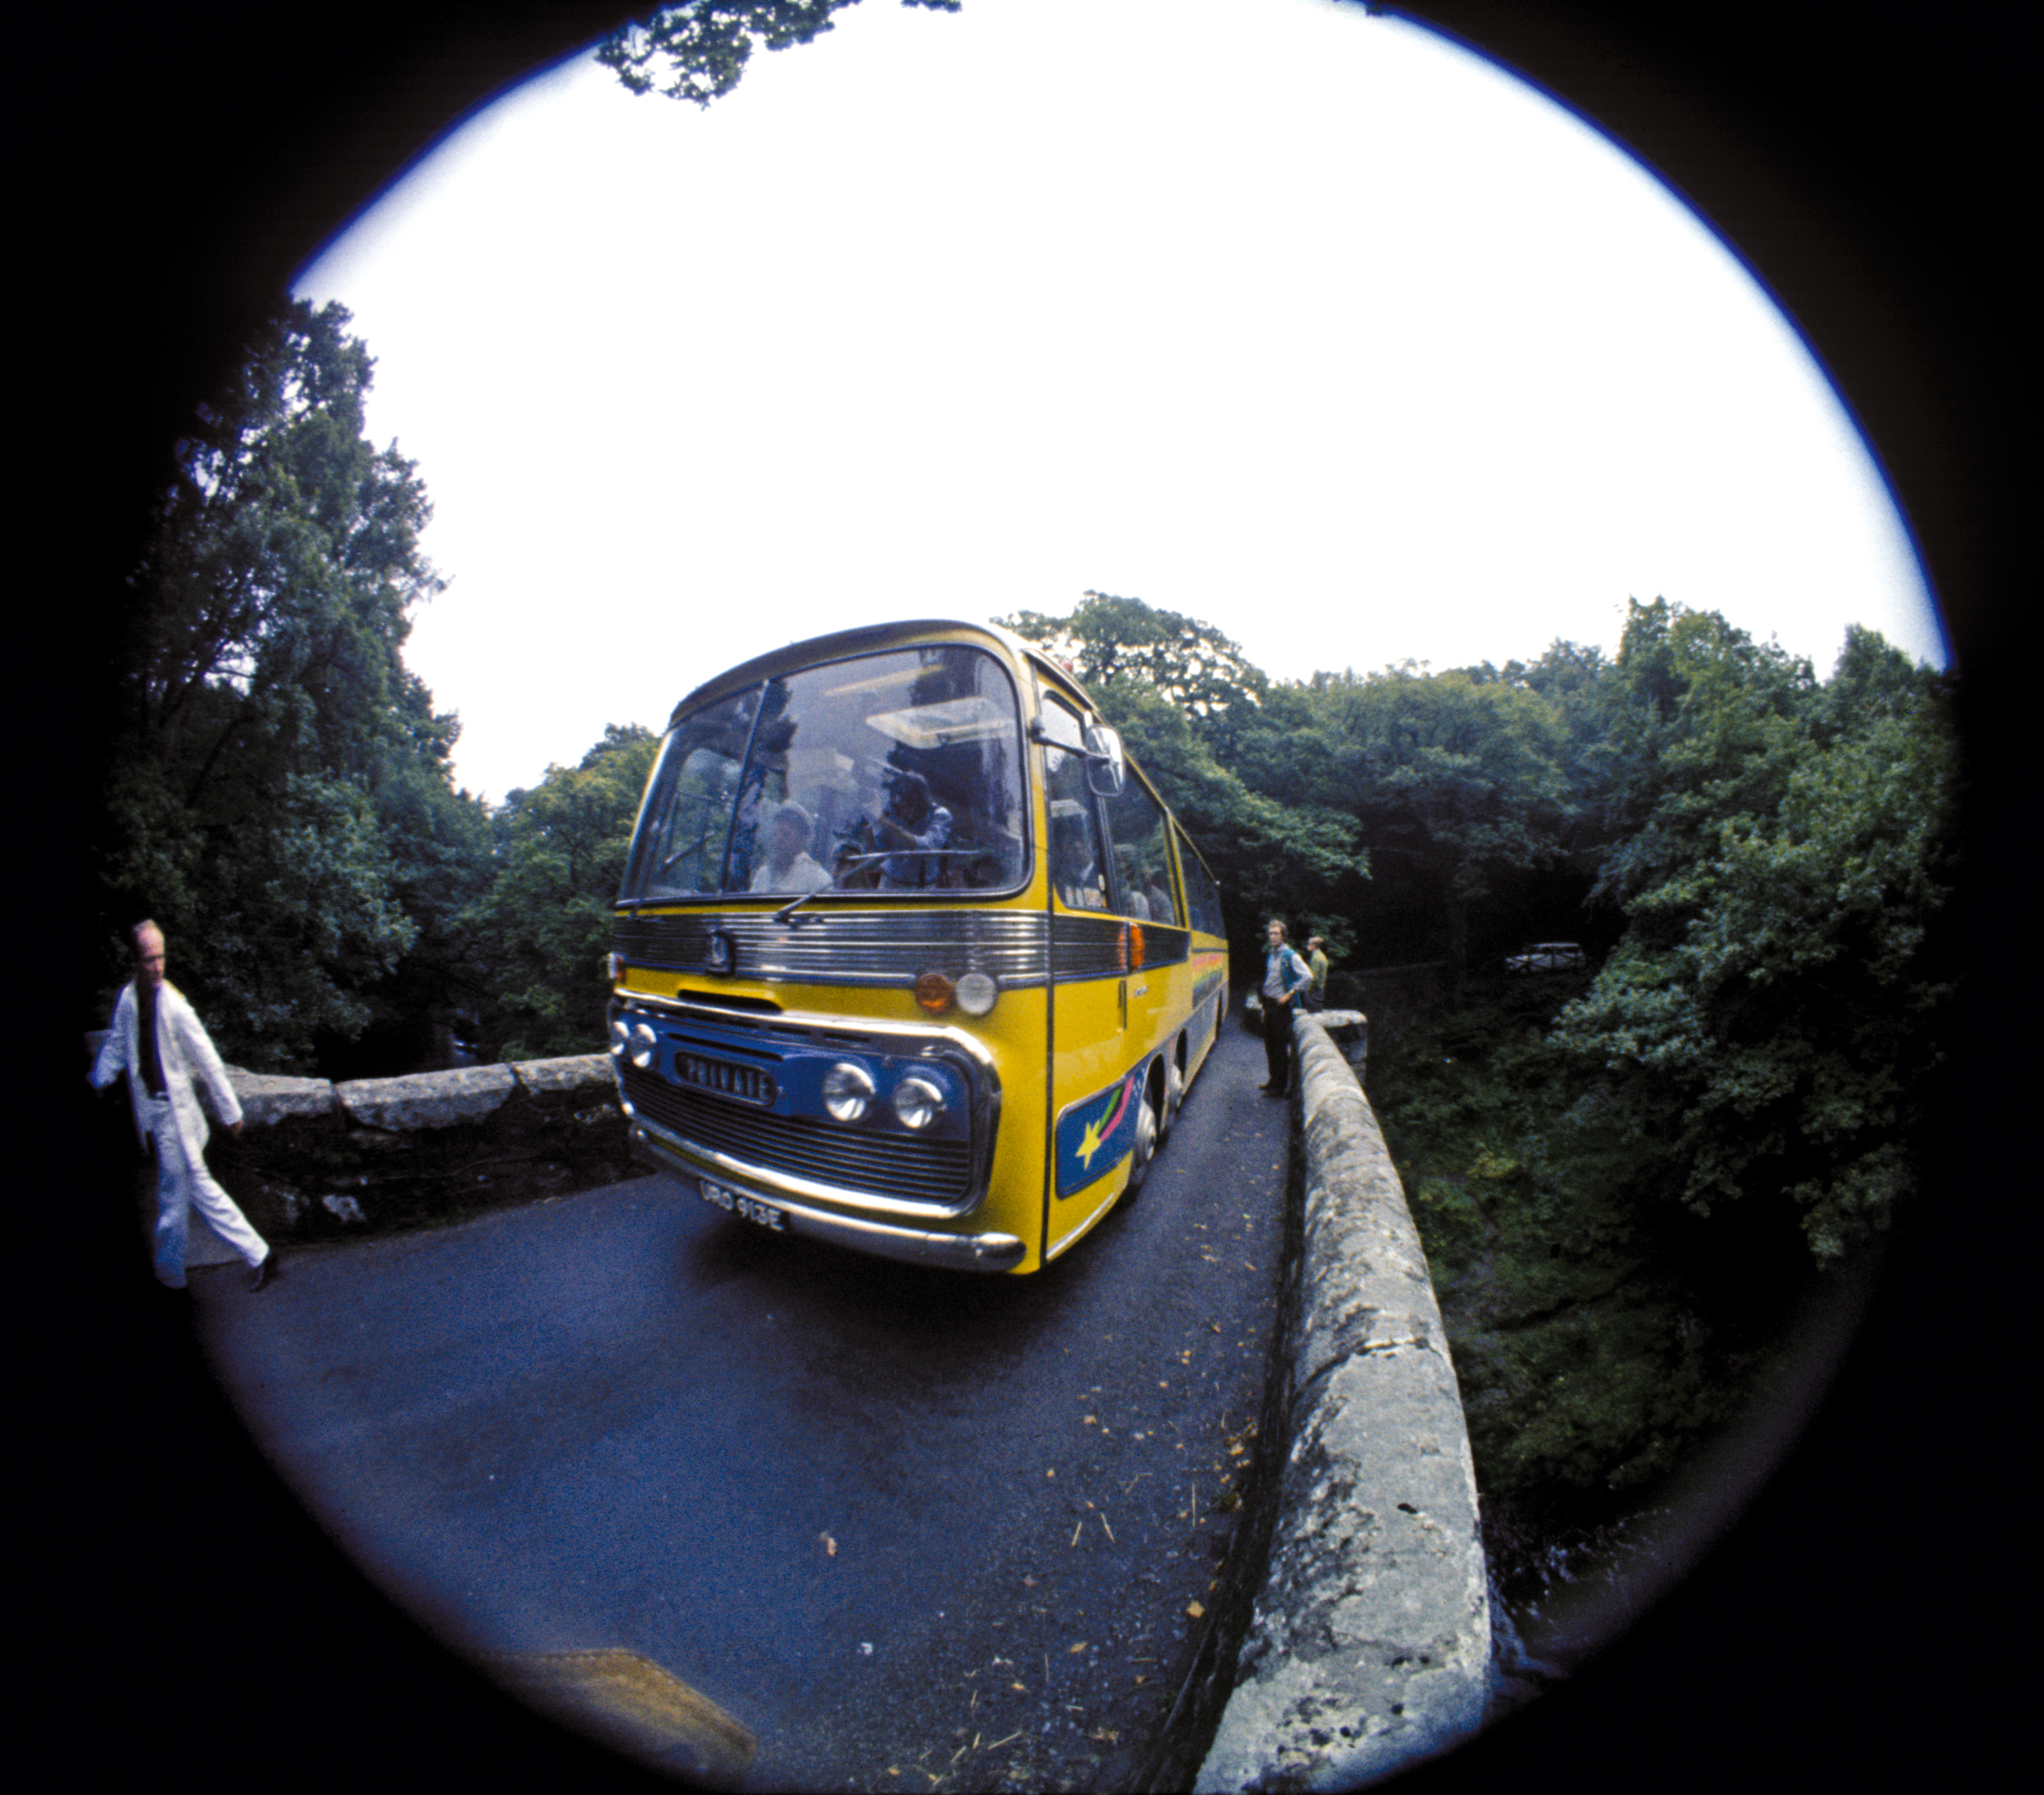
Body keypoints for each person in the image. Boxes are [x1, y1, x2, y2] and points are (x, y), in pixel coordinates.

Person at [89, 920, 276, 1291]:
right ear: (133, 961)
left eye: (161, 957)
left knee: (172, 1198)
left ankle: (169, 1274)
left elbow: (207, 1057)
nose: (158, 966)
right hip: (156, 1114)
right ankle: (258, 1254)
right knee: (199, 1189)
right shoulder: (129, 999)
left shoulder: (174, 1005)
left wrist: (230, 1110)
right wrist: (98, 1079)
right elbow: (117, 1043)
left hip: (177, 1117)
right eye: (148, 959)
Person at [1258, 918, 1314, 1097]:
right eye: (1271, 934)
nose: (1272, 937)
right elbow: (1270, 982)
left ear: (1284, 936)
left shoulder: (1291, 956)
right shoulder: (1271, 955)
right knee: (1270, 1045)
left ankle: (1279, 1087)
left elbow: (1307, 977)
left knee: (1280, 1048)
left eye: (1276, 934)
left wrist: (1290, 994)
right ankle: (1273, 1080)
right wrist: (1265, 1007)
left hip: (1281, 1008)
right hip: (1270, 1004)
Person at [874, 771, 953, 890]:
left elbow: (928, 848)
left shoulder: (940, 815)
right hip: (889, 884)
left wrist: (888, 824)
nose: (900, 806)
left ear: (917, 802)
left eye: (906, 802)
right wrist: (874, 821)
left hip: (921, 889)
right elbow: (881, 845)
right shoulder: (894, 811)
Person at [748, 799, 833, 894]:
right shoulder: (764, 875)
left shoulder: (819, 879)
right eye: (776, 834)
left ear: (803, 839)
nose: (778, 840)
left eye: (786, 834)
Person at [1304, 936, 1331, 1013]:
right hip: (1320, 991)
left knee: (1312, 1016)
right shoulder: (1322, 956)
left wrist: (1308, 990)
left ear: (1314, 945)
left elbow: (1314, 977)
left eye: (1309, 944)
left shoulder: (1316, 958)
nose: (1308, 946)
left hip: (1314, 992)